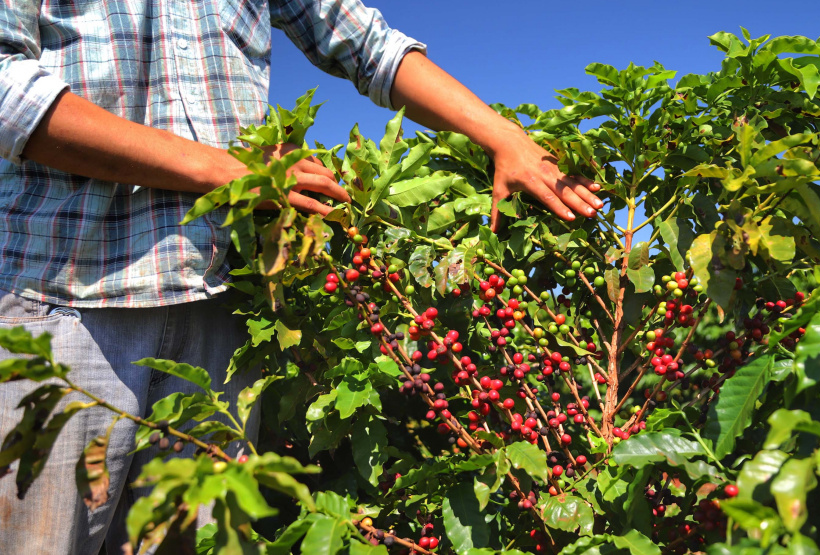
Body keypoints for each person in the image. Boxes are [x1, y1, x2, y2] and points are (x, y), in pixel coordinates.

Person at [0, 1, 604, 553]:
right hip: (64, 301)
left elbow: (363, 40)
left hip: (222, 314)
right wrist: (225, 170)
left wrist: (505, 137)